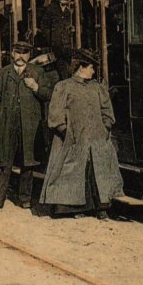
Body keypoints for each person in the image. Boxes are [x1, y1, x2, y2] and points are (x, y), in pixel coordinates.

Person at [39, 48, 124, 219]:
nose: (93, 71)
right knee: (74, 171)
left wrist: (105, 127)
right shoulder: (64, 87)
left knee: (98, 172)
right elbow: (55, 114)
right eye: (91, 67)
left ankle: (101, 208)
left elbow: (107, 111)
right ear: (81, 67)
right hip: (73, 141)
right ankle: (73, 209)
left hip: (97, 140)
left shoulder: (98, 88)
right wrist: (66, 133)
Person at [0, 41, 52, 211]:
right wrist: (0, 115)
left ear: (29, 55)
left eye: (24, 53)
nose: (20, 56)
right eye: (17, 52)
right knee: (3, 162)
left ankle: (25, 198)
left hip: (29, 127)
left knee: (28, 163)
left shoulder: (37, 72)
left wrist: (36, 87)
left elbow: (48, 94)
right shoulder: (4, 73)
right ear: (12, 54)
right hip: (7, 126)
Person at [37, 0, 75, 79]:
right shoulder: (51, 9)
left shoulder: (79, 7)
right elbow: (44, 26)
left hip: (76, 51)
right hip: (58, 53)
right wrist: (53, 40)